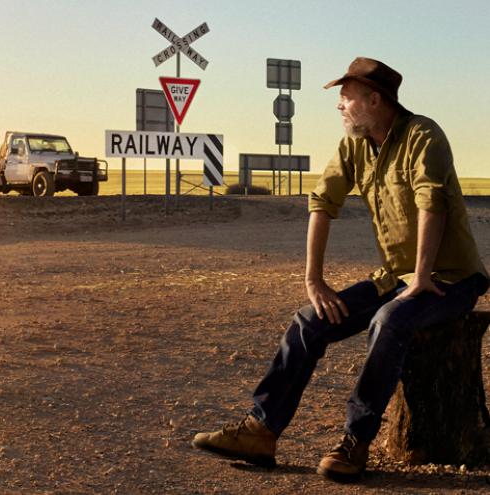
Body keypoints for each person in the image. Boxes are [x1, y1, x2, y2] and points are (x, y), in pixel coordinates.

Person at [191, 57, 489, 481]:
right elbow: (321, 203)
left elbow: (431, 204)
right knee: (309, 321)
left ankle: (355, 441)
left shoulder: (424, 136)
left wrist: (422, 276)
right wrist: (314, 281)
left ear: (374, 99)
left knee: (389, 321)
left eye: (345, 97)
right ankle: (262, 429)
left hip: (450, 280)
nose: (339, 106)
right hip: (395, 275)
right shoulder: (354, 143)